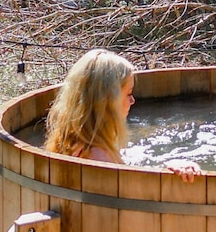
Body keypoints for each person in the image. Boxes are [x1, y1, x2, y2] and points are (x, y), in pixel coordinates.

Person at [45, 49, 200, 179]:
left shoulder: (71, 141)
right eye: (128, 93)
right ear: (107, 100)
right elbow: (130, 200)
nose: (132, 101)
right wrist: (168, 173)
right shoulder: (99, 158)